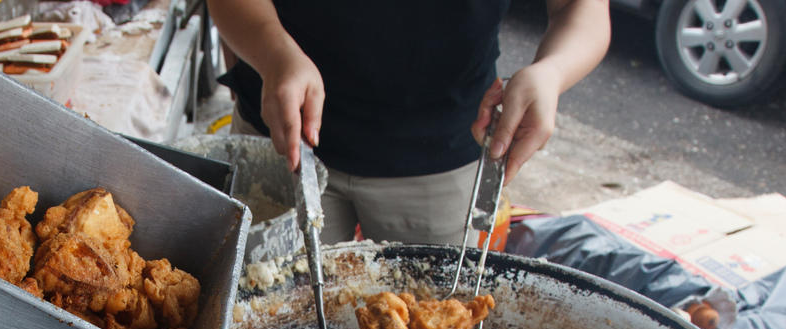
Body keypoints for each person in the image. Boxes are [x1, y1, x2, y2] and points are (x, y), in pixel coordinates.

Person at [207, 0, 611, 245]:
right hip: (285, 134)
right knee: (260, 319)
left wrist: (552, 73)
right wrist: (274, 53)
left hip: (443, 154)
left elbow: (583, 9)